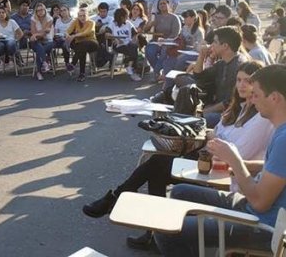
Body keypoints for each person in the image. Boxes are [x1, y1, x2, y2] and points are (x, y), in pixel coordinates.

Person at [84, 61, 273, 252]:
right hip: (214, 166)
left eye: (248, 82)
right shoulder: (240, 108)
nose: (241, 85)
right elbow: (216, 136)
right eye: (239, 80)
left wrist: (215, 140)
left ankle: (121, 204)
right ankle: (148, 227)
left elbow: (235, 152)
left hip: (223, 175)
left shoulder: (261, 119)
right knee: (157, 166)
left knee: (157, 165)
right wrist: (214, 140)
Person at [154, 64, 286, 256]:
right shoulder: (280, 131)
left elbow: (260, 203)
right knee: (179, 191)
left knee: (165, 229)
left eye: (256, 94)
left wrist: (236, 161)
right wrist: (247, 165)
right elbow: (276, 170)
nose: (251, 99)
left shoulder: (283, 138)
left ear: (274, 98)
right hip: (253, 208)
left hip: (263, 226)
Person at [190, 26, 250, 127]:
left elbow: (230, 102)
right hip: (217, 106)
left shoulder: (238, 67)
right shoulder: (222, 63)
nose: (212, 45)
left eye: (215, 42)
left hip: (231, 113)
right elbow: (198, 76)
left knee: (196, 121)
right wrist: (202, 55)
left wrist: (205, 111)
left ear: (225, 46)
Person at [143, 0, 181, 81]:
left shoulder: (174, 18)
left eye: (164, 3)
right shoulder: (156, 17)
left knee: (164, 50)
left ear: (168, 5)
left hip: (169, 41)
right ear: (158, 6)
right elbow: (145, 31)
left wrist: (165, 40)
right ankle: (161, 71)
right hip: (156, 41)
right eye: (160, 3)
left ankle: (156, 72)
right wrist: (150, 24)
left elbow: (176, 33)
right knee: (149, 50)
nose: (162, 5)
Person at [105, 7, 140, 81]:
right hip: (118, 45)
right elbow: (107, 34)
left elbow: (135, 34)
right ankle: (130, 67)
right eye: (126, 16)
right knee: (133, 49)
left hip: (128, 43)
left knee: (133, 46)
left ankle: (129, 65)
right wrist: (115, 38)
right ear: (121, 17)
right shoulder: (113, 24)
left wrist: (133, 40)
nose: (127, 17)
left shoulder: (128, 23)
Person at [65, 8, 99, 82]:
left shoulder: (91, 22)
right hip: (80, 45)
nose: (82, 17)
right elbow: (68, 30)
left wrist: (74, 36)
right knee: (82, 49)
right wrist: (67, 35)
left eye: (84, 15)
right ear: (78, 16)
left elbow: (86, 33)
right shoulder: (75, 22)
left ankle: (73, 63)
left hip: (91, 43)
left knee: (83, 45)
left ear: (88, 15)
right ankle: (81, 74)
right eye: (80, 16)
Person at [30, 2, 54, 81]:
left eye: (42, 10)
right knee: (38, 46)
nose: (40, 12)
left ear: (45, 10)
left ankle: (39, 72)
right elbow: (33, 32)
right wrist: (39, 33)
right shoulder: (33, 19)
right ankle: (44, 62)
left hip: (47, 40)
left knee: (39, 50)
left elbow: (45, 33)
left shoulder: (49, 19)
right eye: (38, 10)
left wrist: (38, 33)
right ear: (36, 12)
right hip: (36, 41)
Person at [53, 5, 73, 71]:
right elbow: (55, 32)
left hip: (69, 39)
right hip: (59, 39)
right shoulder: (58, 21)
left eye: (64, 10)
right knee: (50, 43)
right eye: (61, 11)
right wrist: (58, 35)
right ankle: (48, 62)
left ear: (68, 11)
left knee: (65, 44)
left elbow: (74, 32)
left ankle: (67, 63)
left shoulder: (73, 21)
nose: (63, 12)